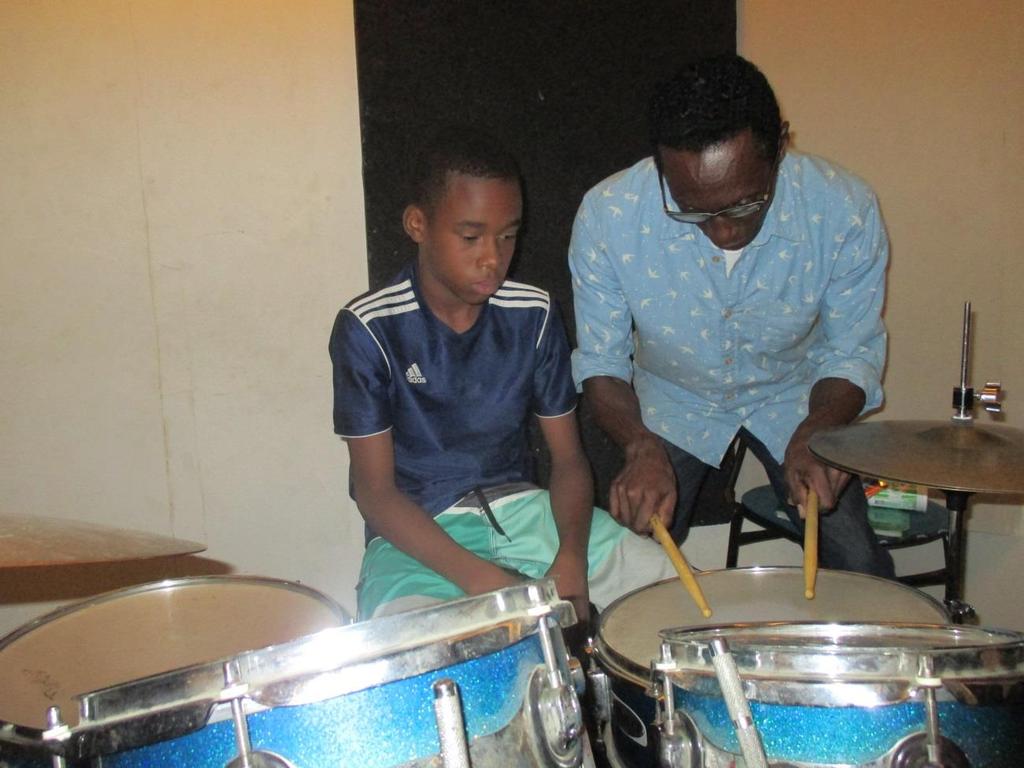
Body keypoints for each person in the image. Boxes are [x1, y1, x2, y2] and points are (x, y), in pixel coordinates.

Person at [331, 126, 676, 621]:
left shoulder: (532, 313)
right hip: (419, 536)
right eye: (470, 237)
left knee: (667, 592)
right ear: (417, 224)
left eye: (508, 235)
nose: (493, 257)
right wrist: (498, 587)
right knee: (414, 646)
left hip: (528, 517)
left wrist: (571, 560)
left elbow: (569, 460)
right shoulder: (369, 328)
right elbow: (376, 495)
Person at [569, 54, 895, 577]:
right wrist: (638, 445)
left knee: (858, 562)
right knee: (627, 567)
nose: (722, 231)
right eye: (692, 209)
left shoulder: (843, 209)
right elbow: (602, 363)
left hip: (795, 395)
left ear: (781, 145)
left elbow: (851, 351)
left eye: (744, 205)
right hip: (672, 400)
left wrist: (820, 430)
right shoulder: (609, 216)